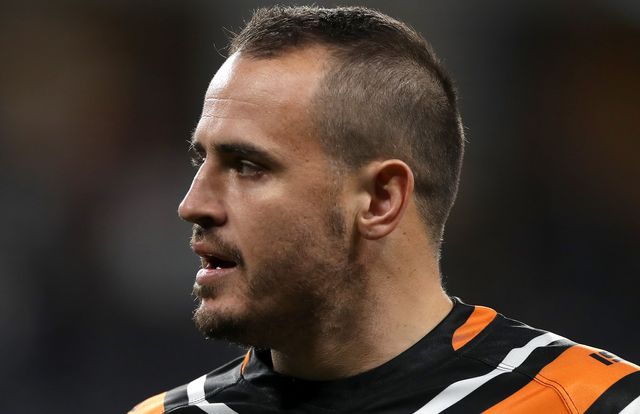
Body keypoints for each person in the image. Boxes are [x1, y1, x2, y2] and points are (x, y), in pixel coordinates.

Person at [130, 6, 639, 413]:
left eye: (246, 166)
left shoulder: (594, 403)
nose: (192, 204)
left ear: (380, 199)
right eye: (203, 160)